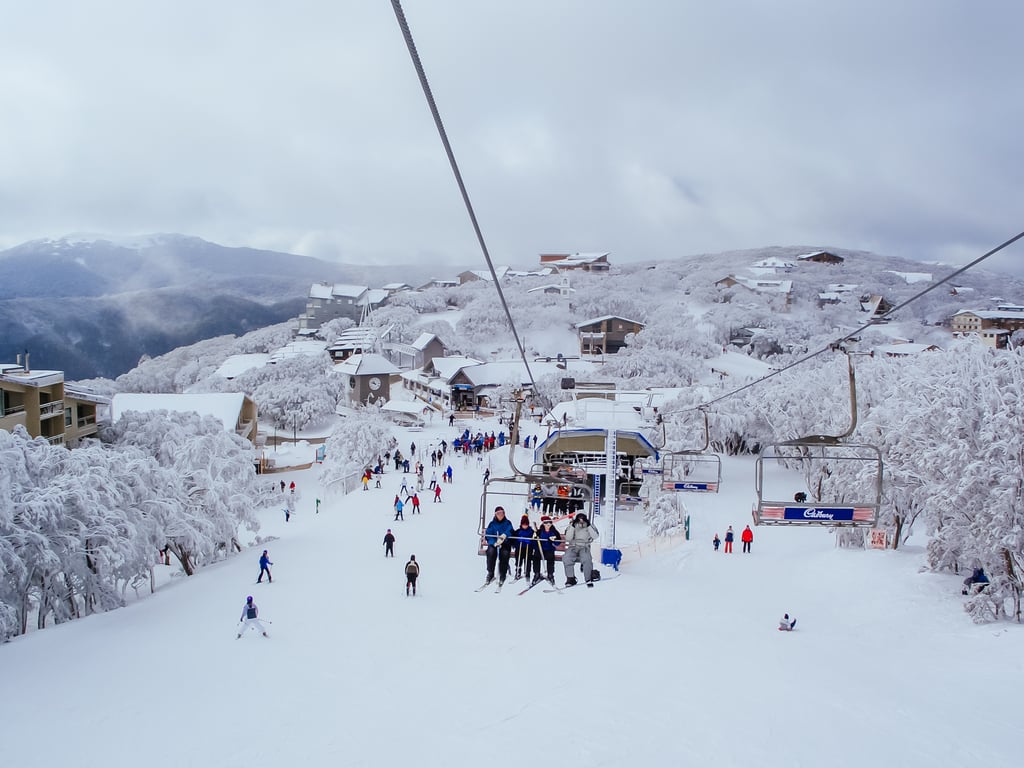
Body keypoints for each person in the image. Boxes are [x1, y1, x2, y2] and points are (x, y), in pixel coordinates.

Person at [563, 512, 599, 587]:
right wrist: (573, 526)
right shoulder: (572, 525)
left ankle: (588, 578)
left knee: (587, 559)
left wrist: (588, 525)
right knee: (567, 558)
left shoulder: (590, 525)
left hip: (584, 546)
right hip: (573, 546)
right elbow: (568, 538)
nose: (581, 520)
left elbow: (595, 536)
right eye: (579, 518)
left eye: (583, 518)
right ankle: (570, 578)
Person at [483, 506, 515, 586]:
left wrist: (504, 535)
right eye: (498, 513)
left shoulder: (508, 523)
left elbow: (510, 530)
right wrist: (494, 542)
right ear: (495, 514)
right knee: (490, 552)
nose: (500, 515)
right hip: (495, 543)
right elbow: (488, 534)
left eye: (502, 513)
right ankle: (490, 573)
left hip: (504, 543)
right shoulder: (492, 524)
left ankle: (502, 573)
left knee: (504, 554)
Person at [512, 514, 540, 582]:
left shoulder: (531, 531)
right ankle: (518, 570)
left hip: (528, 547)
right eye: (523, 524)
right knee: (518, 557)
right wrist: (517, 542)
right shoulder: (518, 531)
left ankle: (527, 572)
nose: (525, 526)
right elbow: (513, 539)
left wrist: (531, 541)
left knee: (528, 559)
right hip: (520, 547)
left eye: (526, 524)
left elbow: (535, 540)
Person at [537, 515, 562, 583]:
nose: (548, 525)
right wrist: (536, 539)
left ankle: (550, 574)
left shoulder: (554, 531)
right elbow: (535, 541)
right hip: (541, 549)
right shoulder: (539, 531)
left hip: (549, 548)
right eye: (546, 523)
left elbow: (558, 542)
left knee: (550, 557)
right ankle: (537, 573)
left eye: (550, 523)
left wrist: (554, 541)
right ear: (543, 524)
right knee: (536, 556)